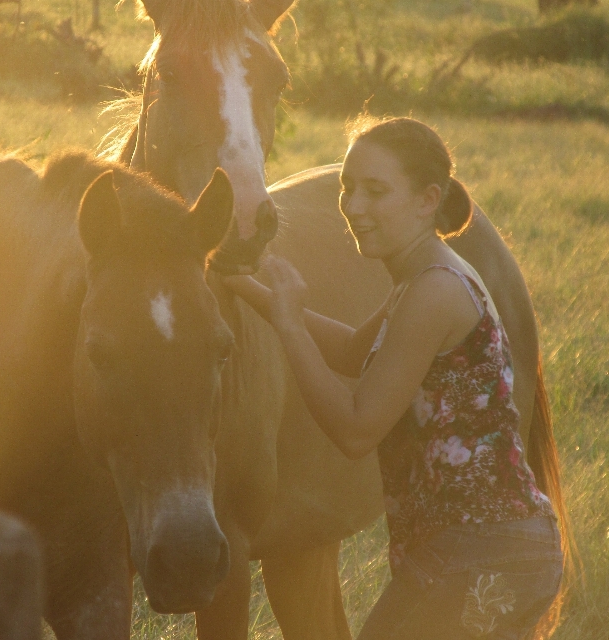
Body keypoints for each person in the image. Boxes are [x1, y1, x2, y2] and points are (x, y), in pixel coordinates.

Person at [224, 116, 565, 639]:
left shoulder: (434, 292)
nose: (353, 206)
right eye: (347, 188)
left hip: (481, 552)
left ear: (428, 199)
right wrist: (252, 291)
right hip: (480, 549)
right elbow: (348, 350)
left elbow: (357, 430)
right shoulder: (421, 279)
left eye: (375, 191)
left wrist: (289, 324)